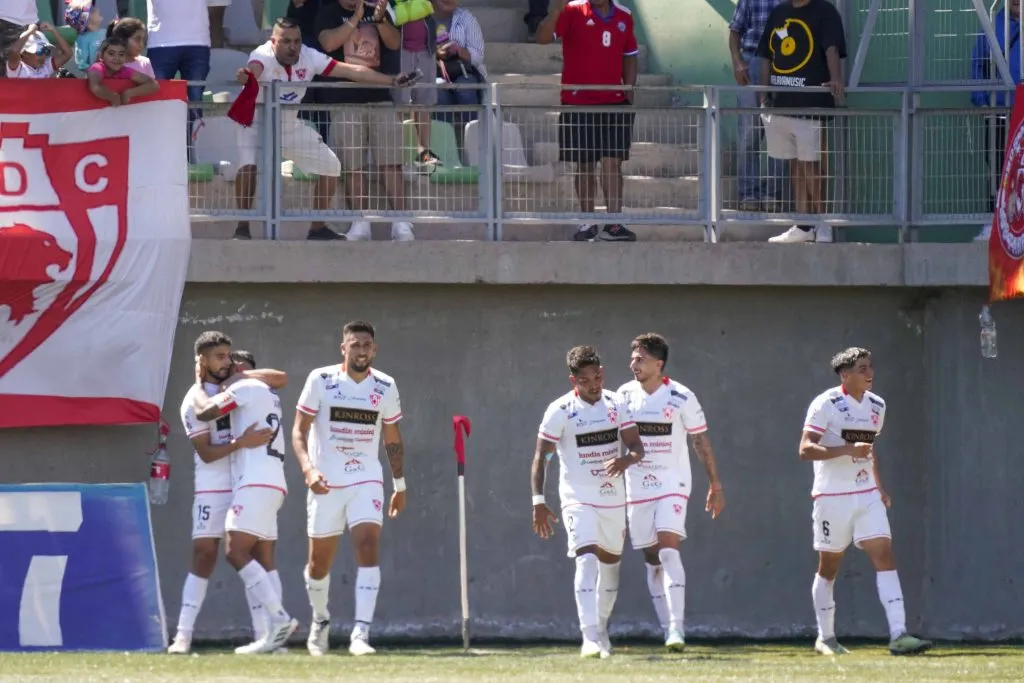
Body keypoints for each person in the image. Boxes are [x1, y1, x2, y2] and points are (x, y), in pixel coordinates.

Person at [231, 17, 416, 241]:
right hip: (254, 122)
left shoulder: (309, 56)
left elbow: (353, 71)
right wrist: (247, 76)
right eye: (286, 41)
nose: (293, 47)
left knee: (331, 166)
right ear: (273, 42)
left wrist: (391, 80)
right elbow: (253, 70)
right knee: (248, 165)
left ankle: (317, 228)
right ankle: (242, 228)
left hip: (288, 124)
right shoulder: (261, 55)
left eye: (297, 41)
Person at [798, 347, 932, 656]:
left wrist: (879, 488)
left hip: (867, 494)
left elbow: (868, 451)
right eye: (861, 368)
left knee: (884, 554)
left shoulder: (877, 406)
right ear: (845, 375)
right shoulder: (825, 404)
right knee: (828, 567)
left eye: (870, 367)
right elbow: (805, 449)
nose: (869, 373)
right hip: (831, 497)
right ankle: (826, 638)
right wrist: (846, 450)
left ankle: (899, 635)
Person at [291, 320, 407, 657]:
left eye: (366, 345)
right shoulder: (321, 380)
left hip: (366, 478)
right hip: (325, 481)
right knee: (318, 565)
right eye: (354, 345)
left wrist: (400, 483)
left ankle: (361, 633)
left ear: (375, 349)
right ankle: (321, 620)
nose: (360, 350)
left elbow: (392, 438)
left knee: (368, 544)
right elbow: (299, 431)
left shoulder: (385, 385)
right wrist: (309, 470)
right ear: (343, 348)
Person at [167, 332, 287, 655]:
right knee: (204, 554)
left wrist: (240, 373)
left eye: (228, 355)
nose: (227, 362)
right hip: (214, 483)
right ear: (201, 361)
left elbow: (279, 378)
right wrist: (240, 444)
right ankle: (183, 636)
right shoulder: (193, 401)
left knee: (259, 555)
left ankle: (271, 637)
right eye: (219, 357)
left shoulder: (238, 386)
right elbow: (206, 453)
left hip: (249, 480)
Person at [531, 345, 645, 658]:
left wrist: (626, 461)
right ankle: (589, 638)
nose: (594, 384)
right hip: (577, 496)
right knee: (586, 559)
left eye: (597, 377)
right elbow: (543, 456)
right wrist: (538, 500)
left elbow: (636, 447)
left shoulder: (616, 403)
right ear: (573, 381)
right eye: (586, 380)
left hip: (612, 497)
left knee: (610, 568)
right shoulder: (560, 410)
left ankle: (602, 629)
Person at [616, 333, 724, 651]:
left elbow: (700, 440)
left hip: (672, 484)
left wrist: (715, 483)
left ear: (658, 364)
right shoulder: (623, 395)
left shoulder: (681, 396)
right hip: (637, 486)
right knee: (651, 558)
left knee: (668, 550)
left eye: (640, 359)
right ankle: (666, 626)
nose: (633, 364)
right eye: (633, 358)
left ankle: (676, 630)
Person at [190, 355, 298, 654]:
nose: (224, 369)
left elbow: (205, 412)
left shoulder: (245, 388)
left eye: (230, 364)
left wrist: (199, 382)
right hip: (270, 482)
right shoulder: (265, 392)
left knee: (235, 551)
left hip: (256, 482)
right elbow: (281, 377)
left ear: (242, 371)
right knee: (263, 559)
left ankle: (280, 619)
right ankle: (275, 642)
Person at [536, 0, 639, 243]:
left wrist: (630, 91)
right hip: (578, 102)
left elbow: (630, 54)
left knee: (613, 163)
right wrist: (556, 10)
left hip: (615, 103)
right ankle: (587, 222)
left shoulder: (625, 15)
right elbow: (542, 38)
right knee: (585, 164)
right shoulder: (572, 10)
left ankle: (614, 223)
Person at [314, 0, 415, 242]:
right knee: (353, 166)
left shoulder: (375, 9)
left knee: (391, 162)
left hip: (380, 99)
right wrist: (354, 19)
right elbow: (328, 42)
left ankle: (401, 222)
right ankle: (361, 222)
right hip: (343, 101)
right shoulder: (327, 10)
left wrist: (379, 20)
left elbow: (394, 42)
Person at [756, 0, 846, 244]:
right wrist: (763, 96)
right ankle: (803, 225)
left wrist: (836, 78)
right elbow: (766, 55)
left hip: (811, 105)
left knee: (813, 166)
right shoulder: (779, 13)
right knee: (795, 165)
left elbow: (831, 49)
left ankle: (822, 224)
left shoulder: (825, 11)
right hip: (782, 105)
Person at [728, 0, 786, 212]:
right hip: (751, 62)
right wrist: (737, 62)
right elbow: (735, 31)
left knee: (778, 132)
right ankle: (748, 194)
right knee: (749, 135)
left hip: (783, 64)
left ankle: (773, 194)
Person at [970, 0, 1021, 241]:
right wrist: (981, 100)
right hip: (999, 110)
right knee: (999, 168)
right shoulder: (993, 23)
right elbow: (977, 62)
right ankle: (992, 224)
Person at [86, 37, 159, 106]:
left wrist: (129, 93)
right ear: (101, 56)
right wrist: (112, 96)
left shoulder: (124, 70)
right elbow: (95, 86)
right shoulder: (97, 67)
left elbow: (153, 84)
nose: (117, 58)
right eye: (111, 54)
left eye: (121, 54)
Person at [5, 24, 71, 79]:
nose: (44, 56)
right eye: (39, 51)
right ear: (25, 53)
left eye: (46, 51)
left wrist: (54, 31)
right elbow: (14, 51)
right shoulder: (17, 68)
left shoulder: (46, 66)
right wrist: (30, 31)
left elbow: (68, 54)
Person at [65, 0, 106, 71]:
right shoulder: (82, 39)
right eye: (92, 10)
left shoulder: (106, 32)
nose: (96, 9)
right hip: (95, 77)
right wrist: (96, 71)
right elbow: (82, 64)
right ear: (86, 18)